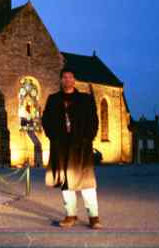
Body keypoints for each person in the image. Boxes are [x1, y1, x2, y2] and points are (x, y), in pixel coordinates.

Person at [42, 66, 102, 229]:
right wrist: (52, 136)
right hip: (61, 146)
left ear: (74, 80)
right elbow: (45, 120)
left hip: (81, 146)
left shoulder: (85, 99)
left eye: (70, 77)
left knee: (87, 183)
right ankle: (70, 215)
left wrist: (88, 138)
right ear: (61, 80)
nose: (67, 80)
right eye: (64, 77)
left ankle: (93, 217)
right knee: (66, 183)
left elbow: (94, 120)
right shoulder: (53, 99)